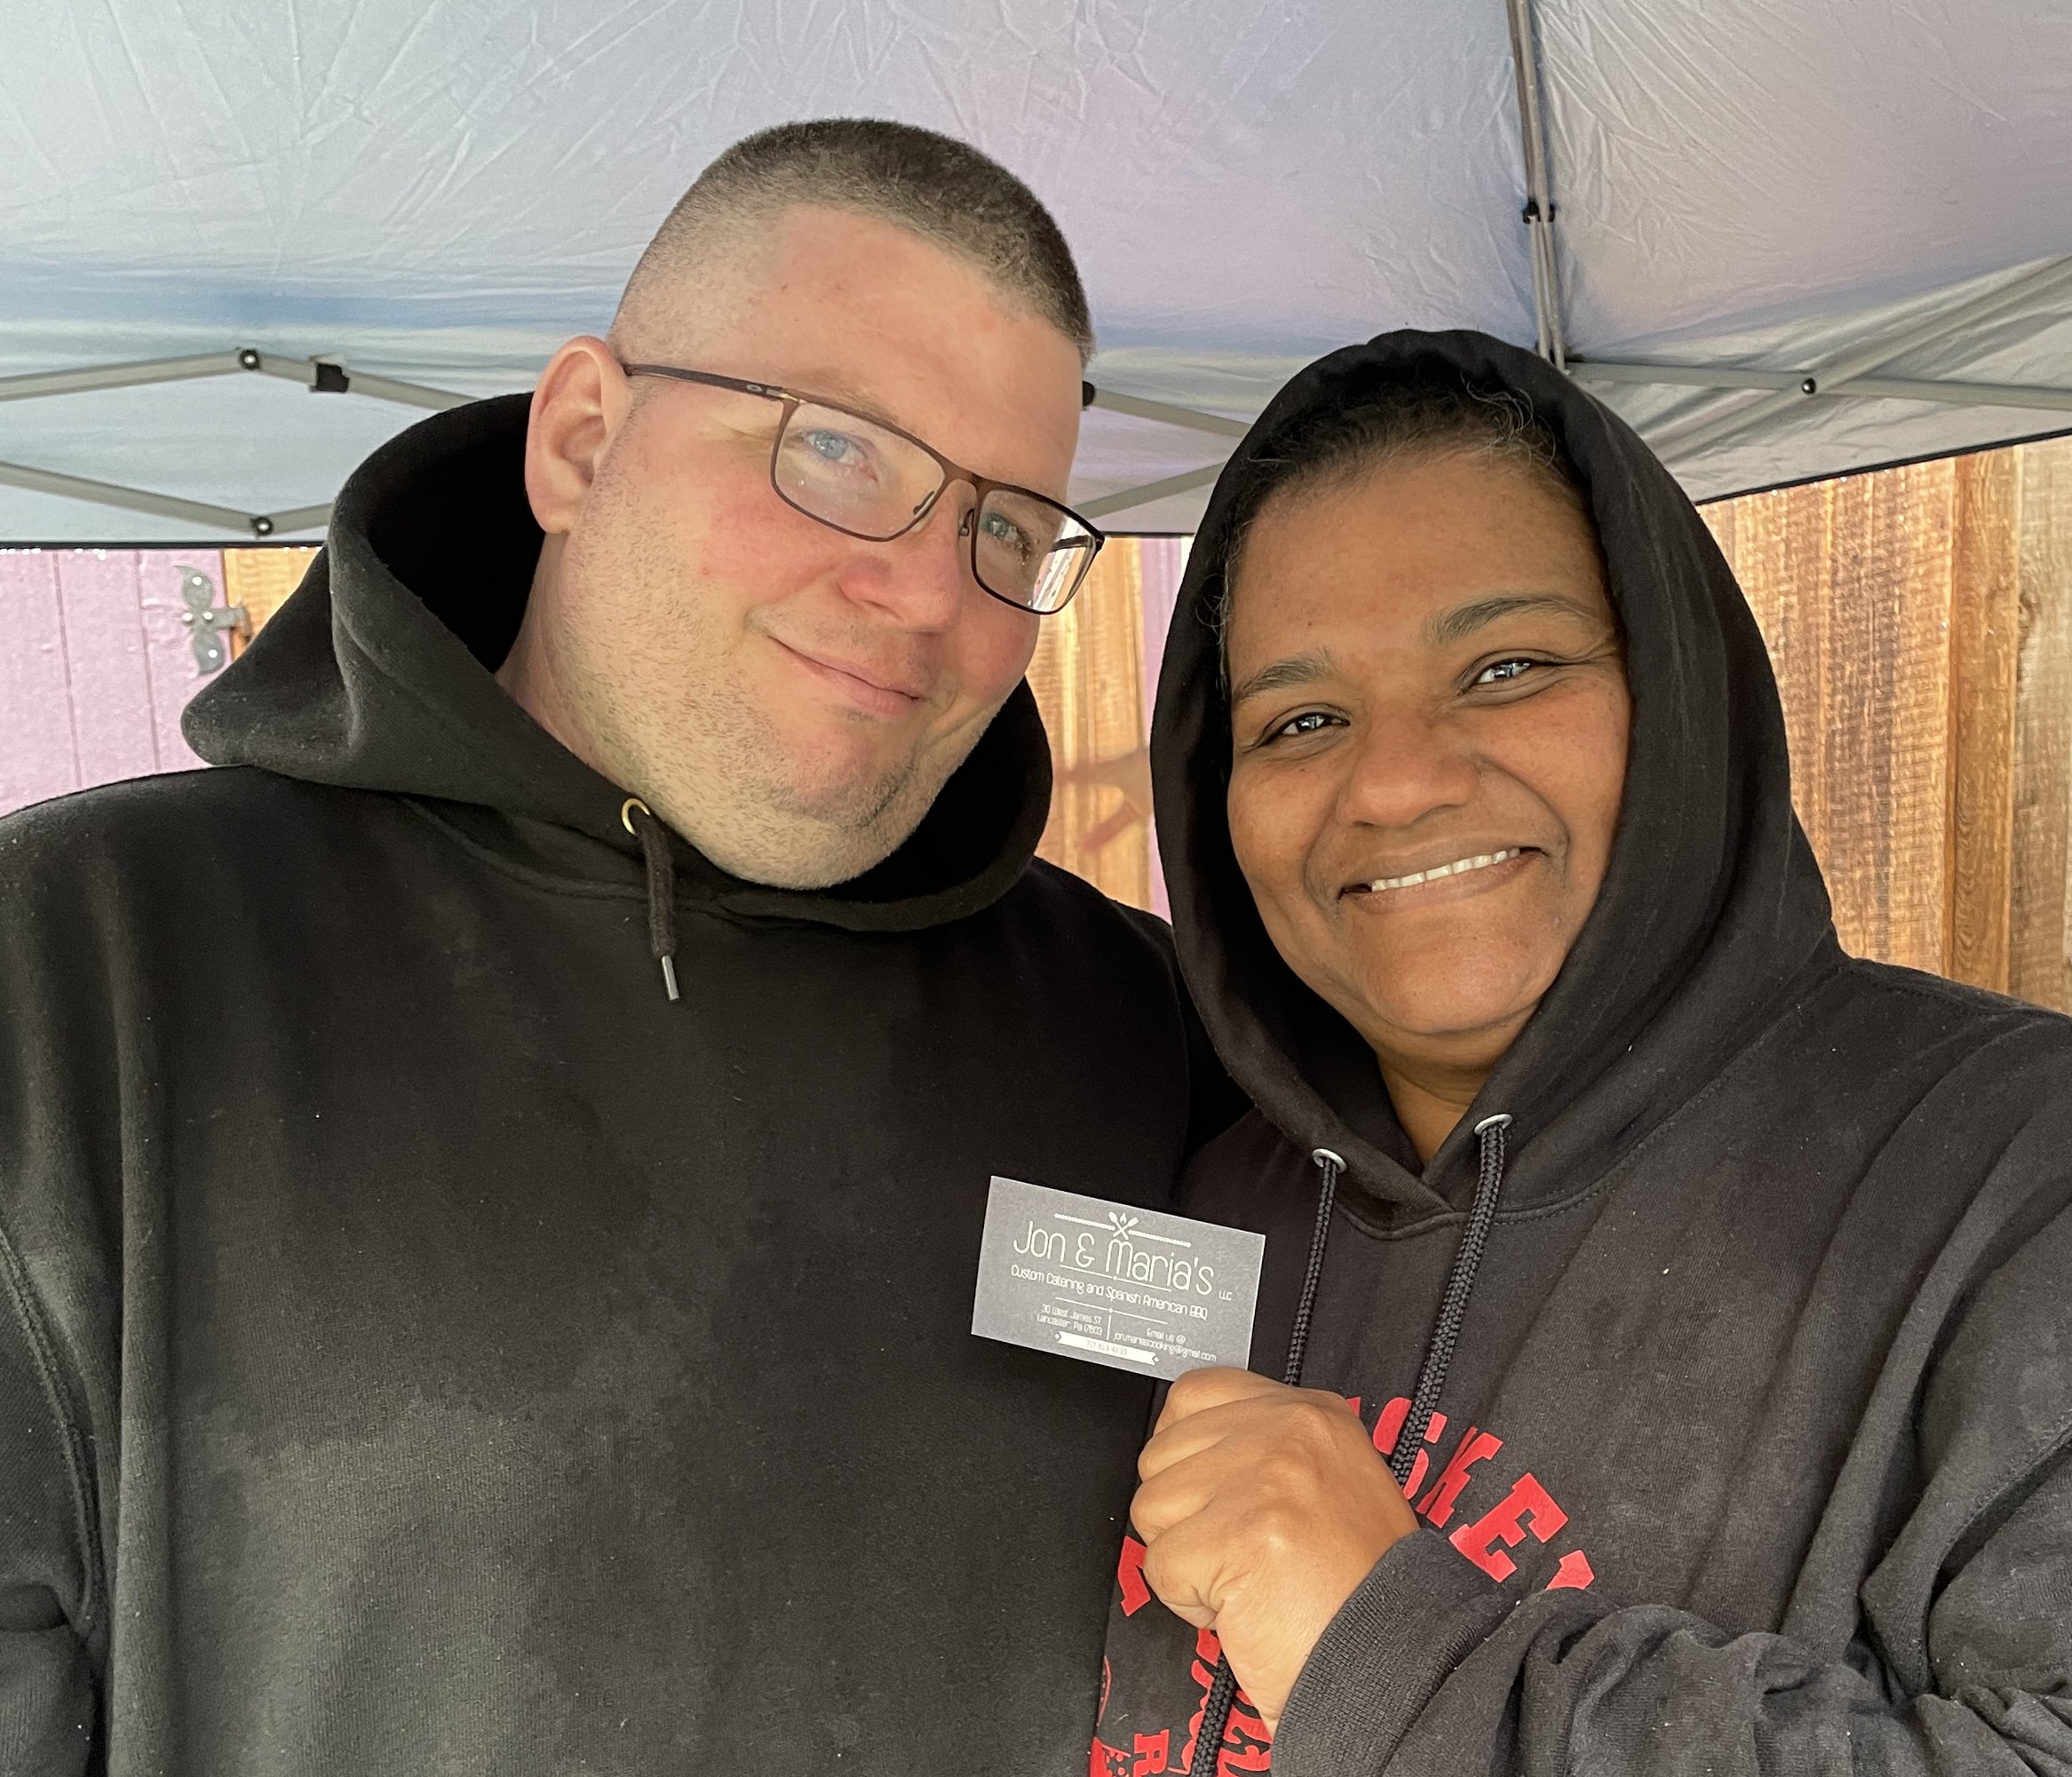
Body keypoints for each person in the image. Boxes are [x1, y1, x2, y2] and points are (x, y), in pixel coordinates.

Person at [0, 119, 1236, 1775]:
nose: (931, 595)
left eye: (1007, 530)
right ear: (581, 439)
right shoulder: (81, 976)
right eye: (840, 452)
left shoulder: (1139, 1025)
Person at [1092, 330, 2072, 1775]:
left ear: (1680, 696)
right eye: (1302, 717)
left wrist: (1399, 1654)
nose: (1391, 780)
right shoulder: (1200, 1201)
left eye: (1505, 666)